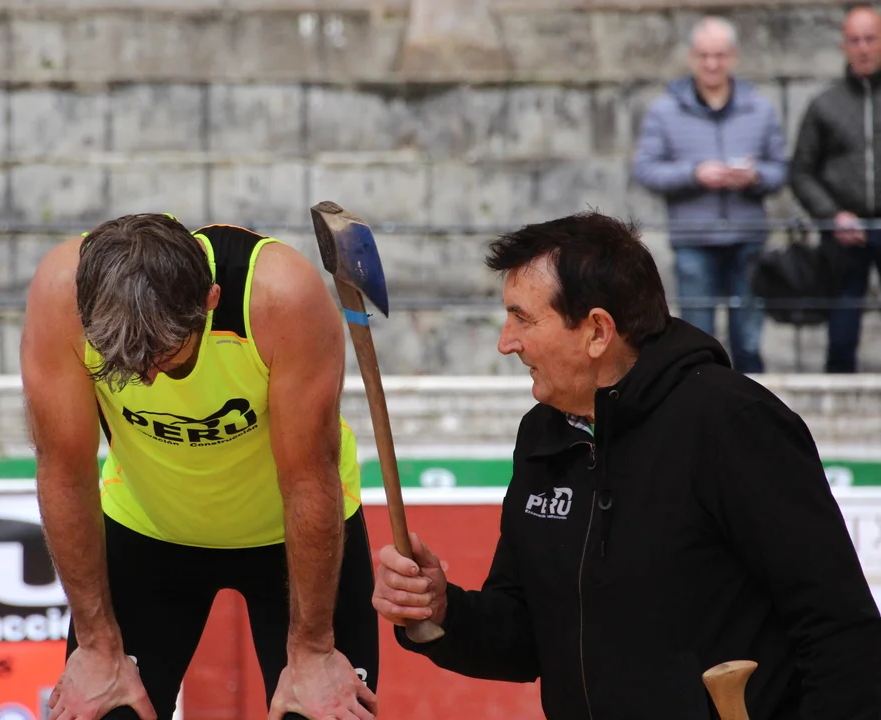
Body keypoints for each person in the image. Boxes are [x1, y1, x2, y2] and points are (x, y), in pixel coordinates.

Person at [371, 211, 881, 718]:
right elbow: (526, 633)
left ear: (597, 330)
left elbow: (840, 632)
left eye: (522, 318)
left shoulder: (733, 422)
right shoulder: (543, 433)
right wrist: (442, 611)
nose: (506, 342)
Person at [20, 213, 378, 720]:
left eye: (163, 356)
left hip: (294, 536)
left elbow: (308, 480)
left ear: (210, 301)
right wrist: (96, 644)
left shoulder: (279, 297)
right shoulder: (63, 292)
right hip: (149, 528)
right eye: (123, 360)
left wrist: (314, 649)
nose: (145, 379)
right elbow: (64, 471)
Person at [632, 16, 787, 374]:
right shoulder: (665, 110)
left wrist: (754, 176)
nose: (712, 64)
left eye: (719, 55)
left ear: (733, 57)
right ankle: (698, 401)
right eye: (704, 55)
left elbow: (781, 169)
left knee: (748, 339)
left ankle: (751, 401)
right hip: (693, 239)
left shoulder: (759, 107)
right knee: (696, 336)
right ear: (691, 57)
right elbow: (646, 169)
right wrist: (694, 174)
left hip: (747, 238)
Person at [790, 4, 881, 373]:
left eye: (870, 39)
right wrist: (832, 215)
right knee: (842, 327)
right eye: (854, 40)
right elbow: (801, 171)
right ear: (844, 46)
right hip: (844, 232)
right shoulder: (824, 105)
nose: (863, 48)